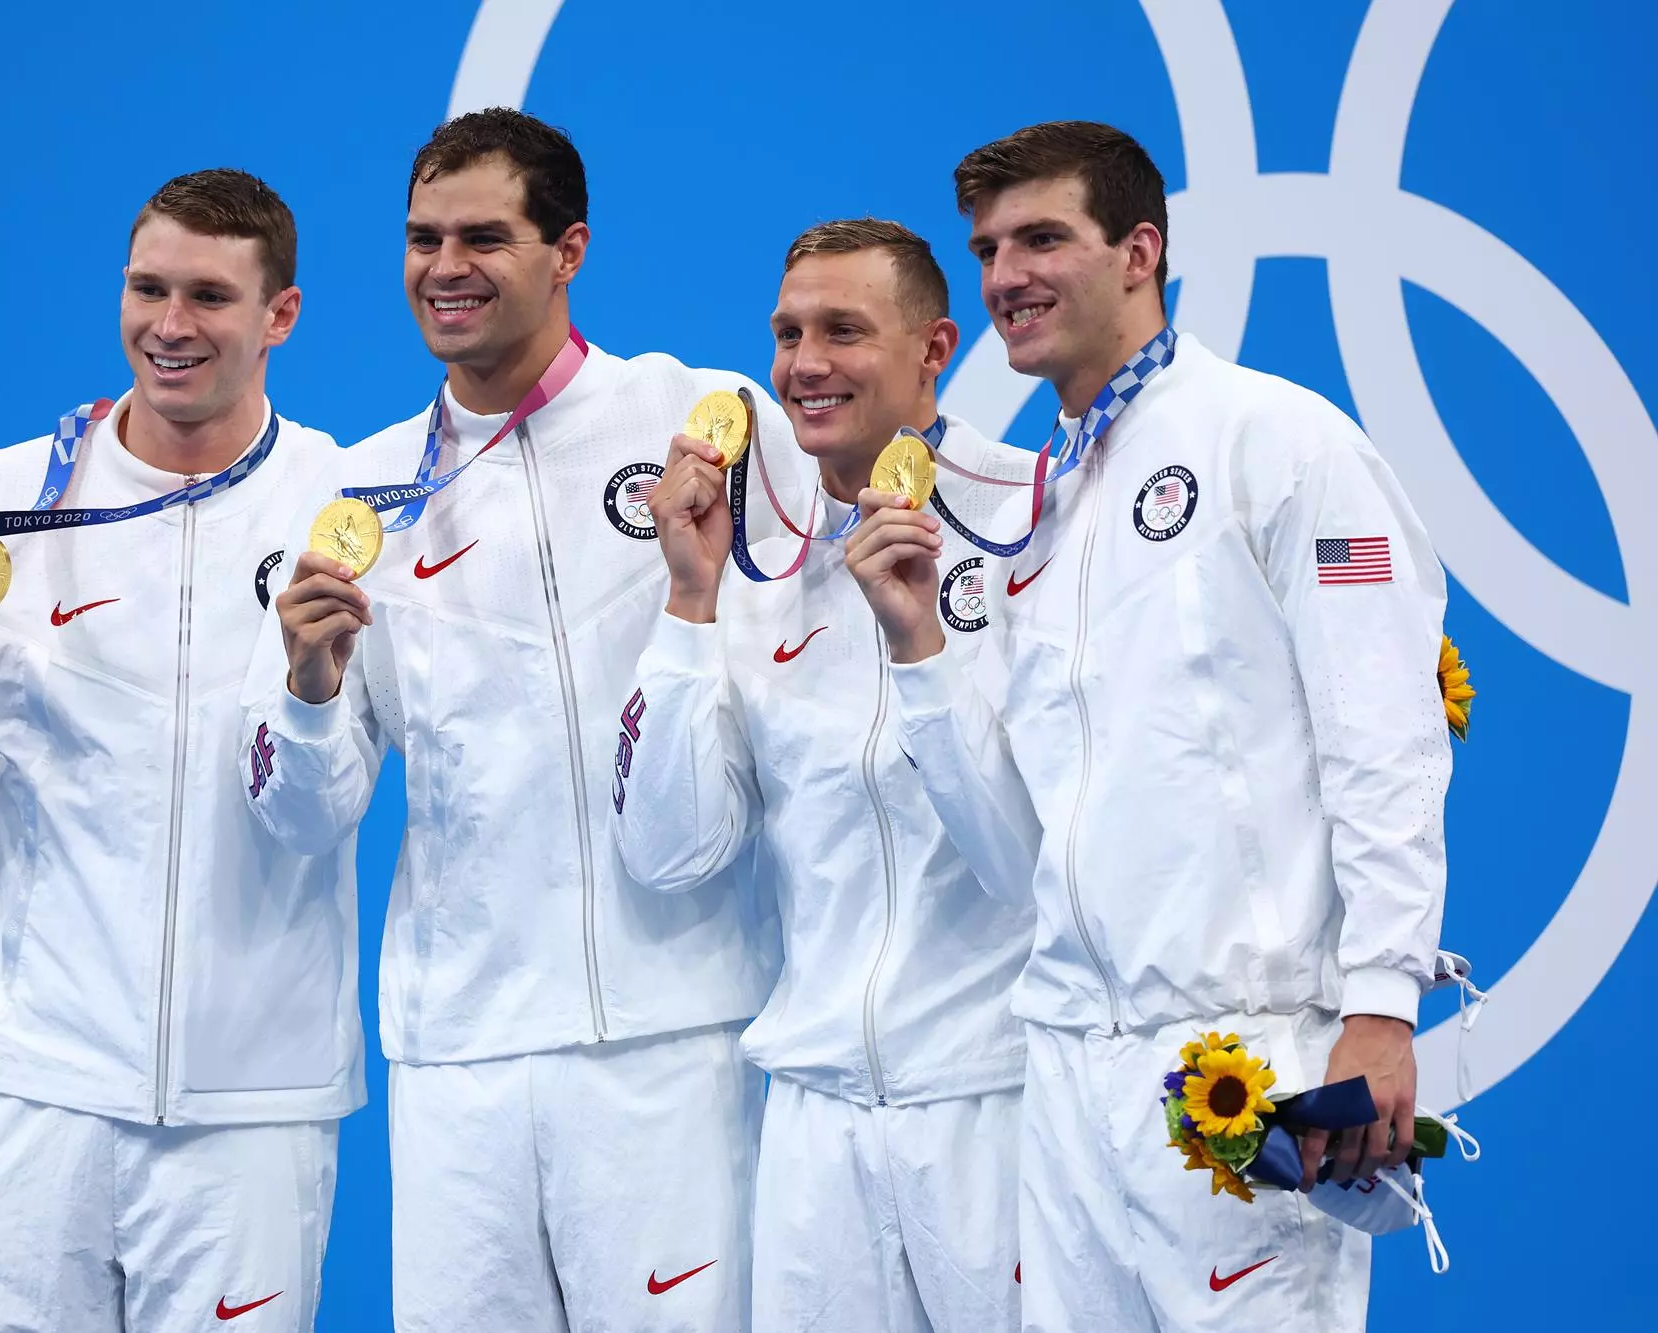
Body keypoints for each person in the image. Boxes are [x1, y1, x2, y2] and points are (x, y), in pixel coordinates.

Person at [846, 121, 1450, 1331]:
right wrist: (916, 644)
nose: (1005, 273)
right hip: (1066, 1069)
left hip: (1244, 1056)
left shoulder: (1277, 440)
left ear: (1138, 252)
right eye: (986, 248)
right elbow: (1018, 852)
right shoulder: (1043, 498)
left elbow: (1382, 742)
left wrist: (1380, 1006)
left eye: (1040, 239)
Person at [239, 109, 795, 1331]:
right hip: (459, 1059)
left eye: (483, 236)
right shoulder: (363, 493)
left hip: (669, 1034)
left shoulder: (702, 417)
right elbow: (300, 816)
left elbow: (819, 667)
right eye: (422, 238)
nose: (446, 267)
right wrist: (308, 685)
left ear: (569, 249)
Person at [0, 169, 359, 1333]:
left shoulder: (336, 506)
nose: (169, 326)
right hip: (35, 1094)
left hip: (252, 1109)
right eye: (147, 289)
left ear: (279, 315)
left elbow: (317, 815)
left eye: (208, 297)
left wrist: (311, 688)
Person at [613, 218, 1040, 1332]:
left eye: (844, 331)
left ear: (934, 345)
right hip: (812, 1121)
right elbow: (665, 852)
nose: (804, 364)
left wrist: (917, 651)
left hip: (993, 1103)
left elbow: (1024, 867)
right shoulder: (761, 565)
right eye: (787, 332)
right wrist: (688, 602)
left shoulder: (1029, 523)